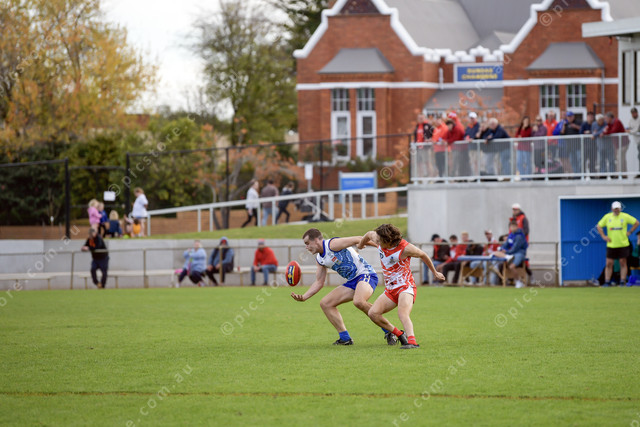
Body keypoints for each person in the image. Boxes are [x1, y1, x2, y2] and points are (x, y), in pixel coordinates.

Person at [291, 228, 396, 346]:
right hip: (352, 281)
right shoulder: (320, 259)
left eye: (307, 243)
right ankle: (345, 338)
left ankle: (390, 331)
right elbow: (319, 282)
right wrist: (304, 297)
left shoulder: (332, 244)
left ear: (316, 240)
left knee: (359, 301)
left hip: (366, 274)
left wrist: (381, 248)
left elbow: (358, 239)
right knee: (326, 303)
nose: (306, 247)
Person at [358, 224, 445, 349]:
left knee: (402, 313)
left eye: (381, 241)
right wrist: (361, 245)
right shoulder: (378, 238)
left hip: (405, 286)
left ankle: (412, 342)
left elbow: (423, 255)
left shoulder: (405, 248)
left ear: (388, 240)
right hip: (390, 289)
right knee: (373, 313)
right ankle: (399, 334)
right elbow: (368, 234)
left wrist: (435, 272)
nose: (377, 242)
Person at [596, 201, 639, 287]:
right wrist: (604, 236)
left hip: (623, 244)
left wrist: (630, 232)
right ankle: (607, 281)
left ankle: (622, 281)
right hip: (611, 245)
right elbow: (599, 226)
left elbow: (636, 222)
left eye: (618, 208)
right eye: (615, 208)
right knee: (609, 263)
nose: (616, 210)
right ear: (612, 209)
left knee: (623, 262)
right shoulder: (607, 217)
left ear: (620, 209)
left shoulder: (625, 216)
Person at [492, 221, 529, 288]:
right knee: (496, 253)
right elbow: (506, 244)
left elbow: (515, 248)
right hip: (511, 254)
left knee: (511, 266)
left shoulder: (519, 236)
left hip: (519, 253)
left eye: (514, 226)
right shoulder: (511, 235)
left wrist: (506, 252)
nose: (512, 228)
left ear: (517, 227)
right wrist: (501, 249)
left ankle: (519, 281)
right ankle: (507, 257)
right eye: (511, 226)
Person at [413, 113, 434, 178]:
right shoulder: (417, 126)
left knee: (427, 162)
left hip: (426, 148)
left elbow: (435, 134)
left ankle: (430, 177)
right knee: (419, 163)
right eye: (419, 118)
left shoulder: (428, 125)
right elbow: (416, 136)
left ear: (424, 118)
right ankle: (420, 177)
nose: (421, 119)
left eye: (422, 118)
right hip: (418, 148)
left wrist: (430, 139)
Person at [463, 112, 479, 177]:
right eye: (471, 118)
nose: (472, 119)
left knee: (477, 162)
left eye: (473, 118)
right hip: (471, 148)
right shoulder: (468, 127)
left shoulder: (478, 126)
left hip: (477, 147)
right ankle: (474, 175)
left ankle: (478, 175)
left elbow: (478, 135)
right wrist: (466, 138)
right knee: (472, 162)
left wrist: (473, 138)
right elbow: (466, 134)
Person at [627, 107, 640, 175]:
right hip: (637, 141)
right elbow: (628, 128)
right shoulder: (631, 120)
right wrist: (629, 130)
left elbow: (637, 129)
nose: (633, 114)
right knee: (639, 156)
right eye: (632, 113)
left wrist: (630, 131)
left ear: (637, 113)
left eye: (634, 113)